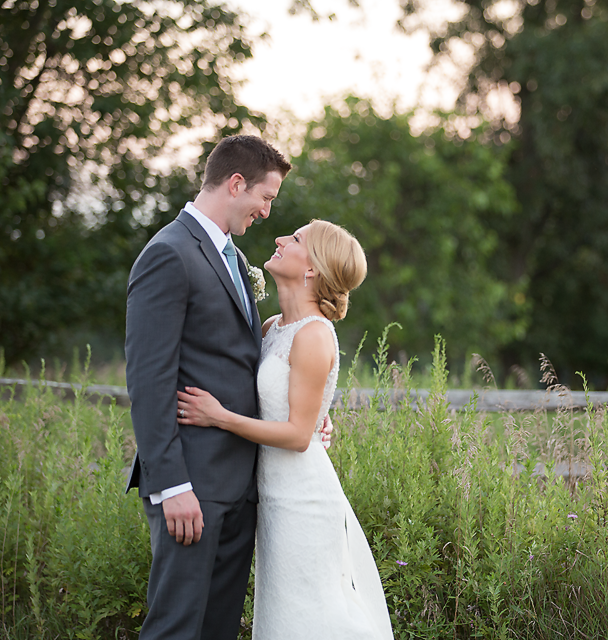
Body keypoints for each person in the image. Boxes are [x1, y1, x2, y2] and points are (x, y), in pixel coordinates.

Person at [126, 134, 316, 639]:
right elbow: (149, 380)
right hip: (192, 486)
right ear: (237, 184)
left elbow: (244, 363)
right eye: (266, 198)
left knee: (217, 631)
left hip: (240, 486)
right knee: (175, 628)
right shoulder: (169, 253)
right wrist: (172, 485)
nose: (267, 213)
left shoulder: (232, 257)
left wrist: (305, 415)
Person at [176, 220, 395, 639]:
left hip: (303, 499)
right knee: (280, 614)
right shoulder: (272, 327)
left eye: (294, 239)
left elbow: (297, 437)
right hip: (270, 495)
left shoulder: (314, 336)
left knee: (310, 614)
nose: (280, 239)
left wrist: (218, 416)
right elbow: (283, 406)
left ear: (312, 268)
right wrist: (318, 418)